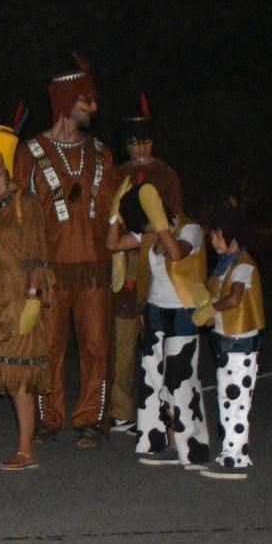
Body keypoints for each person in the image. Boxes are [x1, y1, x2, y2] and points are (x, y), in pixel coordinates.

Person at [14, 57, 117, 447]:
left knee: (96, 345)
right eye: (86, 100)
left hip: (95, 268)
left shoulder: (102, 153)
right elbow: (20, 216)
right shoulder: (30, 152)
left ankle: (93, 419)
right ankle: (49, 418)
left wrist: (124, 260)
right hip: (50, 269)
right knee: (49, 346)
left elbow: (113, 214)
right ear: (67, 100)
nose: (94, 107)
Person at [0, 124, 53, 471]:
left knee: (19, 377)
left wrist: (33, 298)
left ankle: (26, 450)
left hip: (15, 302)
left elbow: (37, 254)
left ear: (5, 160)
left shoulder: (24, 202)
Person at [108, 181, 213, 468]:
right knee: (154, 378)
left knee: (180, 380)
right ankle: (160, 442)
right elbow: (113, 244)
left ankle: (191, 448)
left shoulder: (190, 230)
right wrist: (115, 214)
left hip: (182, 312)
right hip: (155, 310)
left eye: (145, 222)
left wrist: (158, 221)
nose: (146, 230)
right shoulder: (148, 234)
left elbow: (177, 253)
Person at [109, 95, 184, 437]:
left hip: (154, 265)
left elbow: (173, 219)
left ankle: (161, 412)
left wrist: (152, 235)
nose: (139, 148)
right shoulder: (118, 174)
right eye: (133, 143)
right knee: (122, 345)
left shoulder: (165, 174)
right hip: (122, 265)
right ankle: (120, 411)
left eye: (144, 142)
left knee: (156, 346)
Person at [202, 205, 264, 480]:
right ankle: (231, 452)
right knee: (227, 399)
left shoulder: (242, 266)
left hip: (239, 342)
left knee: (235, 399)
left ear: (231, 234)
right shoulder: (227, 265)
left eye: (217, 234)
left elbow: (235, 298)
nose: (213, 239)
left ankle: (234, 457)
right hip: (227, 340)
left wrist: (210, 308)